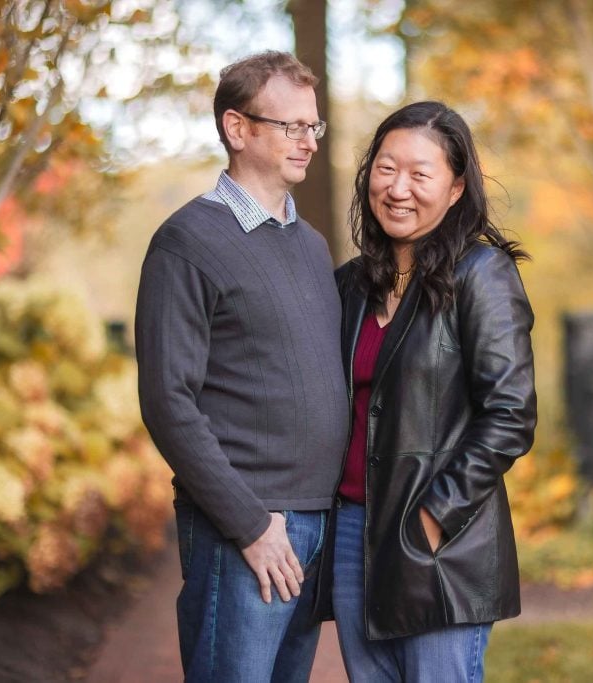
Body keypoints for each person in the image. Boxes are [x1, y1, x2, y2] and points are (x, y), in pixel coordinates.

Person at [134, 51, 348, 682]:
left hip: (315, 521)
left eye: (314, 127)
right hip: (244, 527)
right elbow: (168, 402)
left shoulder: (309, 245)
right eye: (292, 127)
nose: (308, 142)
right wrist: (251, 525)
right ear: (237, 129)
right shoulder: (187, 243)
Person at [324, 101, 537, 682]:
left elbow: (511, 414)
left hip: (440, 540)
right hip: (352, 534)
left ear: (456, 186)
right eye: (386, 168)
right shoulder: (350, 286)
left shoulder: (481, 275)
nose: (398, 188)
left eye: (421, 174)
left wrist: (433, 518)